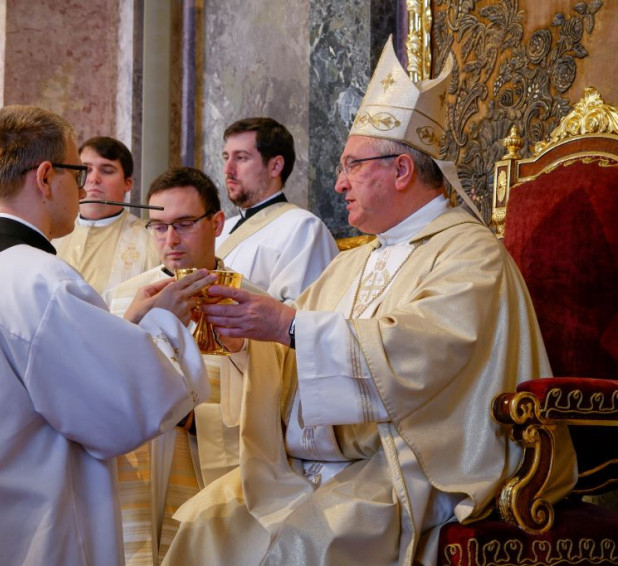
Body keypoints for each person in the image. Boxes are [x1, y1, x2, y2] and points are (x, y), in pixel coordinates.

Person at [164, 38, 576, 565]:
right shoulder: (354, 260)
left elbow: (423, 351)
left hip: (414, 461)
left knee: (301, 547)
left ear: (401, 170)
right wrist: (248, 337)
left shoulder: (469, 253)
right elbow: (292, 345)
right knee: (206, 524)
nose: (338, 183)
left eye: (352, 165)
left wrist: (286, 325)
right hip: (327, 462)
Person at [0, 106, 215, 566]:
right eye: (78, 173)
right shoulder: (44, 282)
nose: (84, 188)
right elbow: (120, 413)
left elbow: (44, 377)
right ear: (46, 177)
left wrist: (126, 328)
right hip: (27, 533)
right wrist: (165, 324)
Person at [103, 167, 263, 565]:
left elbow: (273, 411)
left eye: (184, 224)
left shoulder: (254, 306)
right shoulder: (121, 301)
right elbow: (96, 394)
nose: (170, 240)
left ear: (217, 223)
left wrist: (195, 421)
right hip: (133, 482)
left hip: (208, 483)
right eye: (158, 227)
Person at [216, 117, 339, 302]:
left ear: (275, 166)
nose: (228, 170)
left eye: (241, 158)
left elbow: (301, 311)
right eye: (226, 157)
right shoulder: (220, 229)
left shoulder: (303, 228)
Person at [53, 136, 161, 293]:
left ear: (127, 184)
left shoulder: (152, 239)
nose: (93, 179)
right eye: (86, 170)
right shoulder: (52, 234)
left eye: (107, 171)